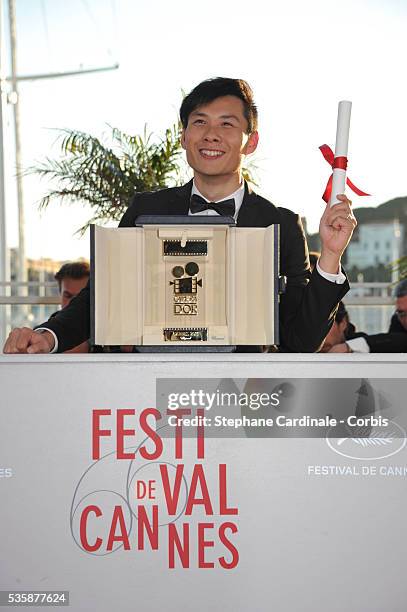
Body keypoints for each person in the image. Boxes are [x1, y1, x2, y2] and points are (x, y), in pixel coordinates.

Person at [3, 77, 356, 354]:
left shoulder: (279, 224)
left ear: (251, 142)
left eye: (227, 124)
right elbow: (100, 298)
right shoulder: (146, 211)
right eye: (199, 122)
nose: (211, 134)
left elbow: (300, 341)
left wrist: (330, 254)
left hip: (243, 398)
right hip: (148, 388)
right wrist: (47, 336)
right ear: (184, 136)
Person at [328, 278, 407, 353]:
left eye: (323, 324)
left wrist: (352, 346)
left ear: (343, 323)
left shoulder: (356, 343)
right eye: (401, 313)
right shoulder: (397, 320)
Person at [52, 261, 90, 353]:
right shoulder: (43, 335)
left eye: (80, 299)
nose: (73, 303)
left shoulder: (105, 340)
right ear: (60, 294)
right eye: (68, 296)